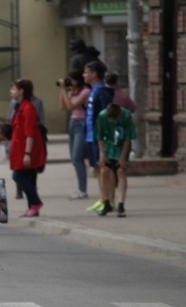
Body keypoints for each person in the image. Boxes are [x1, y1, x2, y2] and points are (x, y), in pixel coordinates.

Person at [8, 79, 46, 217]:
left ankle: (35, 202)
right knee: (27, 177)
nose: (11, 91)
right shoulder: (18, 106)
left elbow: (30, 133)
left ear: (21, 91)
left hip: (26, 148)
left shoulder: (28, 107)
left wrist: (27, 153)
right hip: (19, 147)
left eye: (13, 89)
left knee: (18, 175)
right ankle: (32, 207)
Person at [83, 60, 114, 212]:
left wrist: (104, 135)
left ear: (94, 74)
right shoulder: (92, 90)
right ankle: (102, 198)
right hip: (90, 134)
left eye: (86, 72)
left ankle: (108, 200)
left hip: (99, 135)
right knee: (97, 168)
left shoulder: (102, 92)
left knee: (104, 168)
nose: (84, 75)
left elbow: (105, 115)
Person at [96, 103, 136, 218]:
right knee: (104, 171)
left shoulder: (126, 116)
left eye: (115, 118)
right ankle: (106, 202)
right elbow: (99, 136)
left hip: (121, 146)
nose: (113, 121)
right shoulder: (102, 116)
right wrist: (102, 154)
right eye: (111, 119)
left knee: (121, 171)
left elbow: (128, 138)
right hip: (108, 146)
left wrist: (122, 157)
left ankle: (121, 204)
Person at [57, 71, 91, 199]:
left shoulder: (85, 91)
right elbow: (62, 107)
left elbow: (72, 105)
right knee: (74, 158)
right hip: (73, 123)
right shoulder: (71, 92)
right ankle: (80, 188)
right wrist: (63, 91)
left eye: (72, 80)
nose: (69, 82)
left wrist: (64, 91)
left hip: (82, 123)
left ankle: (82, 190)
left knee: (77, 157)